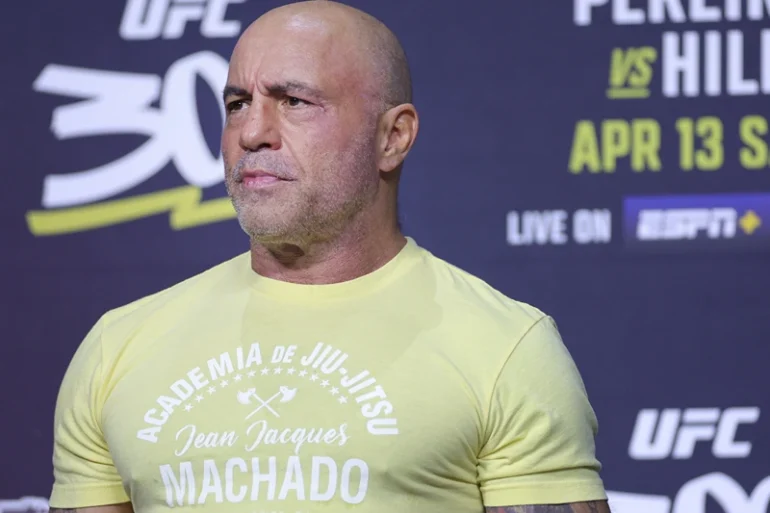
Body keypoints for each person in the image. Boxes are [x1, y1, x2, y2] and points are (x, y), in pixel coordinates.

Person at [48, 1, 611, 512]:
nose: (252, 133)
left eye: (294, 101)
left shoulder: (505, 349)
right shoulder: (115, 350)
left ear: (393, 136)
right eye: (238, 104)